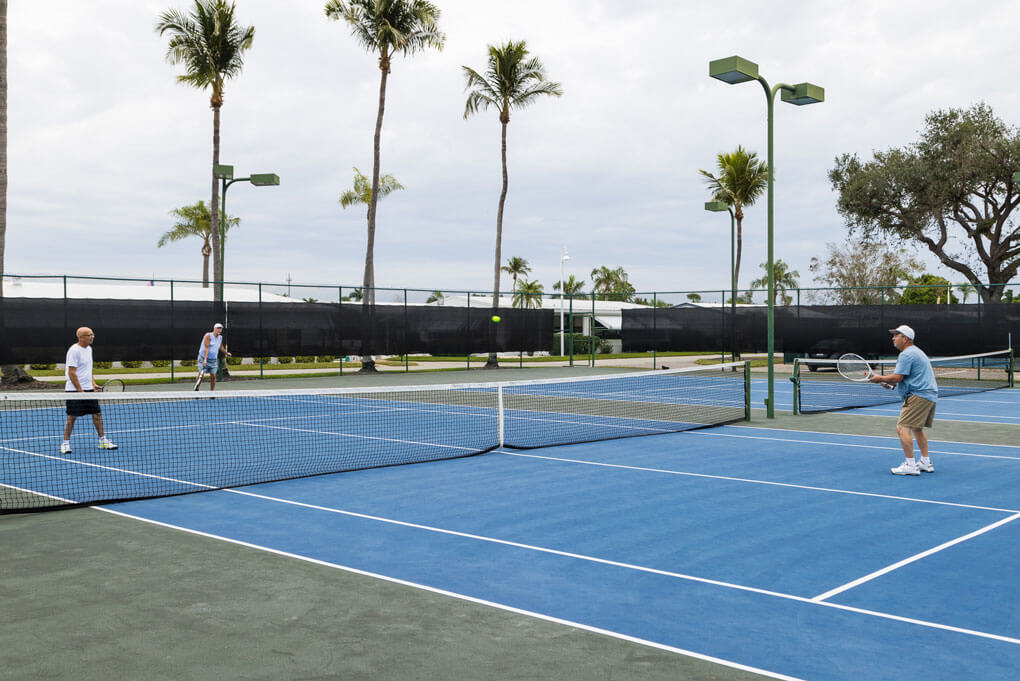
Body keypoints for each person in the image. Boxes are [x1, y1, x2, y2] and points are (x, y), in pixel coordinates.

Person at [868, 324, 938, 476]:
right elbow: (904, 379)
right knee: (917, 428)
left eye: (896, 335)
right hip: (928, 394)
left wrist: (880, 378)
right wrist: (889, 383)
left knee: (902, 428)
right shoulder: (916, 352)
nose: (893, 338)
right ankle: (925, 462)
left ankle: (910, 465)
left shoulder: (906, 354)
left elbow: (897, 377)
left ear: (905, 339)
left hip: (918, 395)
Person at [61, 327, 118, 454]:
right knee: (72, 416)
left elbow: (88, 370)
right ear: (81, 337)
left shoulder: (89, 349)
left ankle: (102, 440)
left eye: (93, 334)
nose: (92, 336)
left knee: (97, 415)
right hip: (74, 390)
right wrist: (80, 390)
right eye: (89, 335)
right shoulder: (74, 351)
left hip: (88, 390)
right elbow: (71, 373)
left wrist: (93, 384)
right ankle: (65, 443)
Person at [196, 322, 231, 391]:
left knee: (213, 376)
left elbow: (221, 347)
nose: (219, 330)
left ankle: (212, 392)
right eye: (218, 328)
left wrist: (226, 353)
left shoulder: (220, 337)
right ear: (214, 329)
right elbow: (206, 348)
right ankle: (197, 387)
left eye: (220, 329)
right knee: (201, 375)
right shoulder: (208, 335)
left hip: (213, 360)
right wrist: (205, 360)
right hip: (203, 358)